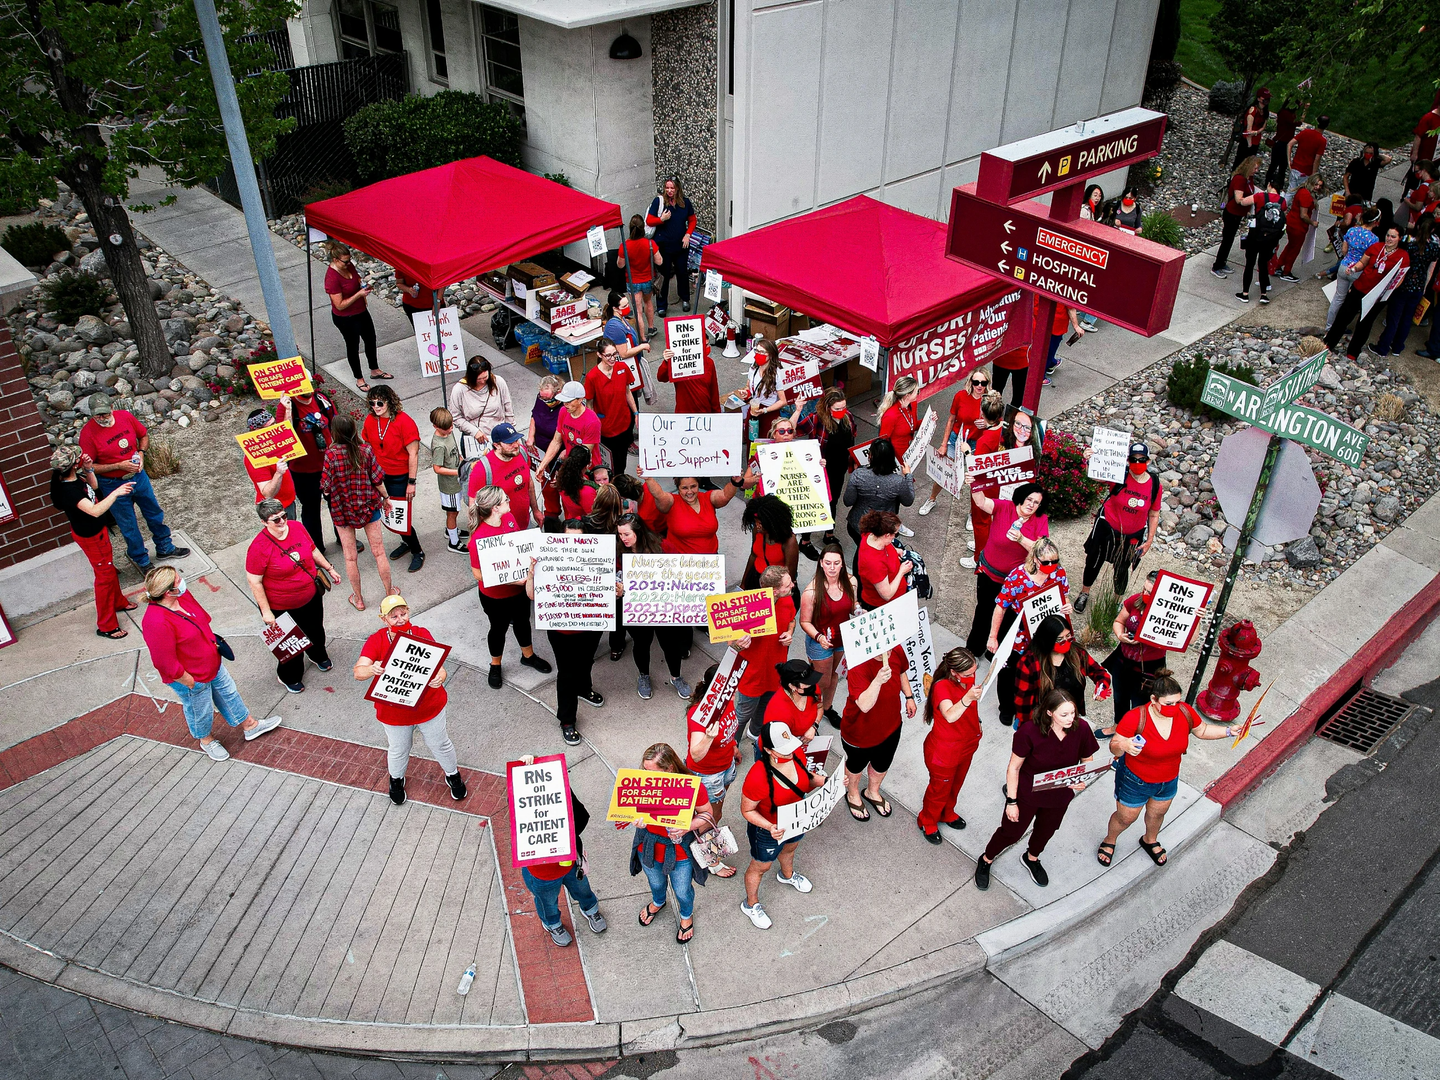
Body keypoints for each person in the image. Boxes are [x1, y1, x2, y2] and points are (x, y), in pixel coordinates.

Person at [1098, 670, 1239, 868]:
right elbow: (1115, 745)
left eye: (1178, 702)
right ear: (1153, 699)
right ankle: (1110, 840)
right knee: (1125, 818)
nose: (1174, 707)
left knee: (1157, 814)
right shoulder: (1135, 717)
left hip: (1168, 780)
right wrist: (1124, 746)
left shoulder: (1185, 712)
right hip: (1135, 780)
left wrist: (1228, 731)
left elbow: (1203, 730)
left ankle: (1150, 839)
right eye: (1168, 704)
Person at [140, 565, 282, 760]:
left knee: (229, 693)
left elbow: (202, 619)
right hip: (191, 676)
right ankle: (206, 740)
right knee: (200, 710)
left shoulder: (182, 597)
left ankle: (249, 725)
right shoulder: (156, 622)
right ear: (167, 592)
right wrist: (190, 682)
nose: (182, 582)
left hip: (212, 663)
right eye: (178, 581)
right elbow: (163, 661)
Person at [975, 689, 1100, 890]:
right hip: (1027, 794)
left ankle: (1031, 858)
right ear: (1049, 713)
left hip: (1059, 795)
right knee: (1011, 832)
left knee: (1046, 830)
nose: (1071, 719)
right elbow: (1014, 768)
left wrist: (1081, 778)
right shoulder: (1029, 731)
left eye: (1073, 713)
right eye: (1064, 714)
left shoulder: (1081, 728)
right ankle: (986, 859)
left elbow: (1087, 760)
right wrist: (1012, 802)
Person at [354, 594, 467, 806]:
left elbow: (440, 668)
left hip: (429, 708)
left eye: (403, 613)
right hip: (394, 713)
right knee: (398, 749)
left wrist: (439, 678)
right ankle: (396, 780)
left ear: (408, 612)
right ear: (383, 619)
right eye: (393, 616)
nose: (400, 619)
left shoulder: (421, 634)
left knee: (441, 744)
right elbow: (358, 672)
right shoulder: (376, 640)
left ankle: (453, 775)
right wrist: (371, 669)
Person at [79, 395, 190, 571]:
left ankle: (164, 547)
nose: (101, 418)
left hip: (139, 477)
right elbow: (89, 467)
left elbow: (143, 435)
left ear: (112, 407)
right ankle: (141, 559)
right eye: (97, 415)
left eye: (105, 414)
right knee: (128, 524)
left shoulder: (125, 417)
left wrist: (141, 453)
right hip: (112, 484)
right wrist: (118, 465)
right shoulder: (88, 434)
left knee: (154, 512)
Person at [245, 497, 339, 693]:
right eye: (275, 519)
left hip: (310, 594)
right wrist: (266, 612)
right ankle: (289, 675)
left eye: (283, 516)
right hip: (281, 605)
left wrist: (329, 568)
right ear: (264, 522)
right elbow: (255, 581)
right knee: (290, 646)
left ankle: (317, 654)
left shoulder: (297, 527)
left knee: (315, 630)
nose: (282, 522)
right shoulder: (259, 547)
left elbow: (312, 550)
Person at [515, 754, 608, 947]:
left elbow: (582, 816)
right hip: (542, 873)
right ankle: (552, 923)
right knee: (547, 902)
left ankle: (590, 908)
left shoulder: (562, 795)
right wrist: (526, 768)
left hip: (571, 863)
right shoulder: (522, 806)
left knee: (583, 890)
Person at [526, 519, 604, 746]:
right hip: (562, 631)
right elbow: (531, 595)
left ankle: (584, 688)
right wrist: (531, 574)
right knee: (567, 673)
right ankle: (567, 720)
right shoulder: (546, 561)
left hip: (590, 626)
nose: (573, 544)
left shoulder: (597, 558)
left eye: (578, 539)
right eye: (568, 539)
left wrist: (616, 590)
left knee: (587, 661)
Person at [48, 445, 135, 639]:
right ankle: (106, 625)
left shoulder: (74, 478)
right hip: (92, 537)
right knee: (103, 578)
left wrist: (88, 469)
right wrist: (116, 492)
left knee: (109, 568)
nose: (82, 457)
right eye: (79, 458)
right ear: (72, 465)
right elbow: (95, 510)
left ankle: (118, 602)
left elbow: (93, 488)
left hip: (98, 532)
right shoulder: (68, 491)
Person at [739, 721, 818, 930]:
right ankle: (751, 904)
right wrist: (769, 827)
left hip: (795, 820)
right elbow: (747, 810)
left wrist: (827, 781)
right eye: (783, 750)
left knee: (790, 849)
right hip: (769, 830)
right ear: (767, 750)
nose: (790, 752)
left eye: (791, 745)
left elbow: (806, 780)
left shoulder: (796, 754)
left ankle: (787, 875)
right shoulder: (758, 776)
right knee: (761, 866)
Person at [469, 485, 550, 689]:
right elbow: (477, 574)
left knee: (523, 621)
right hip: (495, 596)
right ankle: (495, 664)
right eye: (505, 499)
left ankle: (528, 655)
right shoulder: (478, 538)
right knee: (498, 629)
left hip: (518, 590)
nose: (509, 501)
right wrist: (510, 580)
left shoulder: (509, 518)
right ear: (495, 508)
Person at [627, 743, 709, 944]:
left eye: (651, 771)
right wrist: (634, 819)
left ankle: (686, 914)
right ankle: (658, 901)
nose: (646, 775)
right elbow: (628, 809)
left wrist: (688, 826)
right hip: (649, 847)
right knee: (655, 882)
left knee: (682, 890)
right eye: (645, 770)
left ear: (669, 768)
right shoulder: (641, 784)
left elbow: (707, 814)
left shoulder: (692, 786)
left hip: (680, 850)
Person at [989, 538, 1071, 727]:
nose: (1051, 566)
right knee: (1009, 671)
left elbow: (1063, 595)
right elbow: (1000, 607)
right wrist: (993, 637)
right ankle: (1007, 707)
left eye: (1055, 561)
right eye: (1046, 562)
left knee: (1036, 671)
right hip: (1017, 631)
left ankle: (1028, 706)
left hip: (1044, 633)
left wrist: (1067, 607)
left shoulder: (1058, 574)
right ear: (1035, 559)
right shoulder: (1017, 576)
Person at [319, 414, 394, 612]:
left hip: (342, 510)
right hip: (368, 505)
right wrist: (386, 498)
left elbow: (325, 487)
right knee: (379, 552)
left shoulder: (331, 454)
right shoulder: (366, 450)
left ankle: (359, 599)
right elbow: (377, 480)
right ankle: (389, 592)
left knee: (350, 557)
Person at [1073, 441, 1160, 614]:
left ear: (1148, 461)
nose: (1137, 463)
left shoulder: (1155, 484)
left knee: (1122, 569)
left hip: (1132, 535)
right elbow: (1094, 475)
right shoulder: (1119, 474)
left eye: (1141, 459)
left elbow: (1154, 513)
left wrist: (1149, 540)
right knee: (1093, 561)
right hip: (1106, 528)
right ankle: (1085, 592)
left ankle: (1116, 601)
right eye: (1133, 459)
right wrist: (1088, 460)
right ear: (1127, 461)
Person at [965, 481, 1048, 657]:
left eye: (1036, 502)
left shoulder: (1041, 520)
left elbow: (1041, 551)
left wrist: (1021, 539)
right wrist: (975, 484)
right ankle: (973, 650)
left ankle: (994, 653)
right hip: (989, 575)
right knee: (983, 613)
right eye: (1029, 499)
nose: (1031, 505)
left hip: (1014, 584)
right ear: (1021, 498)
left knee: (1007, 619)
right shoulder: (1004, 507)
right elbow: (981, 502)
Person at [614, 513, 690, 700]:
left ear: (638, 532)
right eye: (620, 535)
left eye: (626, 534)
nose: (622, 539)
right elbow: (614, 576)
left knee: (670, 644)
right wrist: (618, 589)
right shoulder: (619, 552)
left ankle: (676, 677)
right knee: (641, 643)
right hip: (634, 608)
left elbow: (682, 569)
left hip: (661, 606)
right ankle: (644, 676)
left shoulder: (663, 547)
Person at [840, 641, 914, 821]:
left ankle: (872, 791)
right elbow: (864, 705)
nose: (888, 652)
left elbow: (902, 671)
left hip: (891, 725)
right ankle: (852, 794)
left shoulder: (895, 649)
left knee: (882, 763)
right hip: (860, 732)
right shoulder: (858, 665)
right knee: (855, 766)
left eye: (889, 646)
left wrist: (909, 696)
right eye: (883, 648)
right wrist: (878, 681)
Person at [917, 647, 983, 844]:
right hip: (945, 752)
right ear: (954, 672)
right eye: (968, 674)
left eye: (974, 672)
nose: (972, 676)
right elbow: (950, 714)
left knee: (956, 784)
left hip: (966, 745)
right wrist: (968, 698)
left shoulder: (964, 680)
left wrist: (977, 721)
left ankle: (947, 812)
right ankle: (927, 821)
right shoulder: (942, 687)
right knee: (938, 790)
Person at [1013, 615, 1112, 739]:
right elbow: (1023, 703)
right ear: (1046, 640)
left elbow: (1100, 672)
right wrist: (1028, 731)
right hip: (1044, 723)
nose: (1065, 642)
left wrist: (1101, 686)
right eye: (1059, 639)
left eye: (1068, 637)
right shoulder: (1029, 663)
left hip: (1071, 717)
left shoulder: (1077, 653)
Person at [733, 565, 797, 748]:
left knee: (765, 709)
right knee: (743, 713)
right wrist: (739, 643)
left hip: (775, 672)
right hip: (752, 677)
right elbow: (732, 644)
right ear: (775, 591)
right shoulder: (746, 607)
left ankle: (755, 735)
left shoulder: (787, 601)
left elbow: (791, 621)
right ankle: (733, 744)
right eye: (787, 584)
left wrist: (790, 633)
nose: (792, 585)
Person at [686, 664, 743, 864]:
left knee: (715, 811)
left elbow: (730, 726)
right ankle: (712, 860)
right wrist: (709, 737)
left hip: (725, 766)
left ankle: (704, 832)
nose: (735, 690)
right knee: (709, 816)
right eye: (731, 687)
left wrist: (733, 745)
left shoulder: (726, 700)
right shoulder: (698, 715)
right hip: (708, 775)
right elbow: (696, 754)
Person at [1325, 225, 1410, 360]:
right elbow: (1362, 263)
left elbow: (1399, 279)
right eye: (1388, 235)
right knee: (1343, 316)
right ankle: (1329, 343)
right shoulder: (1376, 247)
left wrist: (1386, 292)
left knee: (1364, 323)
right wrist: (1353, 269)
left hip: (1376, 296)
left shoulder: (1403, 256)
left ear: (1399, 238)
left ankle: (1353, 352)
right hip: (1360, 287)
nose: (1389, 239)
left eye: (1393, 236)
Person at [797, 543, 860, 726]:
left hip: (842, 639)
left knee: (834, 676)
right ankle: (809, 712)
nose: (832, 568)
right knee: (821, 682)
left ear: (842, 564)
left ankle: (827, 708)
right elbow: (805, 622)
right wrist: (819, 637)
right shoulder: (811, 592)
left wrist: (858, 611)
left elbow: (853, 604)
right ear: (821, 564)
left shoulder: (851, 582)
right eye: (828, 563)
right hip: (821, 642)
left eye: (836, 563)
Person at [363, 386, 424, 573]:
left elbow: (413, 454)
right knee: (389, 515)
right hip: (380, 477)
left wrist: (411, 483)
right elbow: (367, 445)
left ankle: (417, 550)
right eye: (372, 403)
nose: (376, 406)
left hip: (399, 477)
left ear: (389, 401)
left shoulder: (405, 422)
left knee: (399, 517)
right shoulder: (370, 420)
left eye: (380, 402)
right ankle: (406, 542)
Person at [274, 387, 338, 553]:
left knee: (336, 504)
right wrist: (286, 410)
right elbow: (283, 437)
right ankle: (316, 548)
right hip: (303, 472)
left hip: (328, 467)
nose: (307, 389)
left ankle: (343, 538)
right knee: (311, 510)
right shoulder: (288, 405)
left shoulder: (321, 398)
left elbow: (335, 423)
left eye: (309, 384)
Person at [920, 368, 990, 515]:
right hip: (956, 439)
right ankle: (932, 499)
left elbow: (999, 424)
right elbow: (951, 420)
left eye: (983, 382)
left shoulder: (990, 400)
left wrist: (988, 424)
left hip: (977, 443)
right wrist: (944, 444)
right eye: (976, 382)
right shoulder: (960, 396)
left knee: (975, 480)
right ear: (970, 382)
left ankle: (974, 513)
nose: (979, 386)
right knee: (944, 471)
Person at [324, 242, 391, 391]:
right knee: (353, 346)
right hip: (345, 318)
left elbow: (356, 280)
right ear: (335, 260)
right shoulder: (332, 278)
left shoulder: (349, 267)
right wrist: (358, 295)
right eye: (345, 261)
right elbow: (339, 304)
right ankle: (359, 378)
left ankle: (374, 369)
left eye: (349, 260)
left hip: (361, 311)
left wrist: (363, 288)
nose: (349, 263)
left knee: (370, 339)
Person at [796, 389, 855, 553]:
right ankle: (805, 540)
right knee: (815, 502)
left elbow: (852, 438)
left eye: (843, 407)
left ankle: (829, 534)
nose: (841, 411)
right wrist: (798, 410)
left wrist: (854, 461)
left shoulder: (847, 417)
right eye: (837, 408)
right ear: (828, 407)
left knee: (833, 501)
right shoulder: (816, 419)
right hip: (820, 469)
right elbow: (794, 429)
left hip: (839, 467)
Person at [1108, 569, 1170, 726]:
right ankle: (1118, 727)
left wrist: (1195, 618)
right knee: (1119, 696)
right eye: (1145, 589)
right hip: (1124, 659)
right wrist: (1121, 635)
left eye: (1150, 592)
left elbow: (1190, 640)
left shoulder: (1169, 614)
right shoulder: (1135, 601)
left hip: (1149, 667)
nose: (1145, 594)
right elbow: (1119, 622)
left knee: (1140, 704)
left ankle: (1135, 733)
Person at [1376, 214, 1439, 357]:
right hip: (1418, 286)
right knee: (1407, 319)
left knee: (1393, 318)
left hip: (1402, 283)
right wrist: (1424, 287)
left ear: (1417, 225)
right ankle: (1397, 347)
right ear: (1433, 229)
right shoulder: (1435, 246)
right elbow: (1431, 269)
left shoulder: (1407, 241)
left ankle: (1383, 347)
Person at [842, 437, 914, 560]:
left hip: (858, 526)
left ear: (870, 457)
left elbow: (848, 501)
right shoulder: (898, 481)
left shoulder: (858, 475)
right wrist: (908, 476)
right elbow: (908, 501)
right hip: (884, 528)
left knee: (861, 552)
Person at [643, 473, 747, 555]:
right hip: (680, 561)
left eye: (693, 486)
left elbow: (725, 495)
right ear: (678, 488)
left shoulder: (708, 498)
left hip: (710, 560)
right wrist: (648, 479)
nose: (689, 492)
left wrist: (735, 482)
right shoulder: (672, 502)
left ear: (698, 485)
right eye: (684, 488)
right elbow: (659, 495)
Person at [961, 391, 1008, 570]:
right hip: (998, 482)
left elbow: (975, 467)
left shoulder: (985, 440)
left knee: (980, 521)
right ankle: (984, 545)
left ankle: (978, 557)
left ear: (982, 414)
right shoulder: (1004, 428)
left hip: (984, 486)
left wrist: (966, 451)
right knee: (991, 519)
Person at [584, 339, 640, 476]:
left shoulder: (623, 368)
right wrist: (593, 426)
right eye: (608, 355)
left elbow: (628, 392)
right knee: (610, 463)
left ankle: (619, 483)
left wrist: (636, 413)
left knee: (622, 461)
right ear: (599, 355)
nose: (612, 358)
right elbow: (589, 404)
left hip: (624, 423)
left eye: (614, 354)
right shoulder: (592, 377)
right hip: (606, 428)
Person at [648, 178, 698, 315]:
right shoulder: (659, 202)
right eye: (667, 188)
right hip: (664, 246)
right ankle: (661, 305)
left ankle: (685, 298)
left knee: (682, 272)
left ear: (677, 189)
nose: (669, 191)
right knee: (664, 275)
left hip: (681, 245)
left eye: (672, 188)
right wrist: (661, 219)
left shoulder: (685, 203)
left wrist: (688, 234)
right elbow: (649, 220)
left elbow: (692, 220)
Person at [1324, 206, 1381, 325]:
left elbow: (1344, 250)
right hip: (1358, 271)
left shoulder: (1352, 231)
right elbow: (1369, 259)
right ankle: (1340, 326)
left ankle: (1329, 325)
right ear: (1375, 222)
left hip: (1344, 265)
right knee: (1350, 301)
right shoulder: (1374, 239)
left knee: (1338, 298)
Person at [537, 381, 602, 478]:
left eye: (569, 401)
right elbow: (556, 441)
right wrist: (543, 464)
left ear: (580, 399)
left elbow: (583, 456)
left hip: (588, 470)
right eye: (564, 401)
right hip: (570, 463)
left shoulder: (592, 422)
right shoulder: (563, 411)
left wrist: (565, 475)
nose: (565, 404)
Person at [1237, 180, 1286, 304]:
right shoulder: (1282, 201)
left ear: (1269, 185)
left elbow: (1242, 202)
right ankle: (1263, 294)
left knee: (1249, 264)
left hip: (1255, 235)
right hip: (1270, 239)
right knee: (1263, 264)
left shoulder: (1260, 196)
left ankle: (1245, 294)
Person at [1211, 156, 1259, 278]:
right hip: (1232, 213)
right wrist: (1256, 199)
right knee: (1226, 240)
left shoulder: (1249, 179)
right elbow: (1239, 199)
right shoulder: (1240, 180)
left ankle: (1222, 263)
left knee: (1230, 239)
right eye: (1255, 168)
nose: (1256, 170)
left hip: (1238, 214)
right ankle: (1216, 266)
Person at [741, 493, 799, 592]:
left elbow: (790, 574)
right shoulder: (757, 531)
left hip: (775, 586)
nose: (757, 526)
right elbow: (753, 555)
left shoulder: (789, 541)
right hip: (755, 578)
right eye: (755, 522)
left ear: (772, 522)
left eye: (760, 523)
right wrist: (743, 583)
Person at [448, 357, 514, 444]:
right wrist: (474, 432)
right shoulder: (459, 389)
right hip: (474, 440)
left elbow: (508, 409)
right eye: (479, 379)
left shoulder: (498, 382)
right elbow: (455, 417)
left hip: (500, 438)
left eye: (485, 377)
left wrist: (511, 431)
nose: (483, 381)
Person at [243, 409, 296, 517]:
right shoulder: (254, 457)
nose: (276, 428)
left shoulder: (272, 442)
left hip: (287, 503)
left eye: (275, 423)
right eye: (271, 426)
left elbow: (286, 430)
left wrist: (288, 409)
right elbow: (267, 493)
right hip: (276, 511)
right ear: (258, 431)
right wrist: (279, 473)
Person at [855, 510, 911, 612]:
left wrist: (894, 550)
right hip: (884, 606)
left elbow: (885, 545)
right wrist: (902, 571)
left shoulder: (871, 535)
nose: (895, 537)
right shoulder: (874, 563)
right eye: (895, 534)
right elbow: (887, 594)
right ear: (887, 535)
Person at [1271, 173, 1323, 283]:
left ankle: (1278, 266)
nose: (1317, 187)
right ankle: (1286, 272)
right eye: (1316, 184)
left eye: (1319, 185)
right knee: (1294, 249)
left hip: (1292, 223)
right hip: (1298, 226)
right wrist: (1312, 222)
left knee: (1290, 246)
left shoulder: (1302, 190)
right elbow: (1303, 215)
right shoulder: (1306, 195)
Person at [617, 213, 662, 338]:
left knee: (638, 310)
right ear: (643, 228)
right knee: (648, 302)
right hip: (648, 279)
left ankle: (642, 338)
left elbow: (620, 265)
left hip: (633, 281)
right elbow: (659, 261)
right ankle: (651, 328)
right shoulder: (650, 244)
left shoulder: (624, 246)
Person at [734, 337, 788, 443]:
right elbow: (748, 386)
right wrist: (746, 392)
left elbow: (783, 400)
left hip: (769, 412)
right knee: (751, 439)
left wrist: (764, 410)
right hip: (754, 409)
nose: (758, 354)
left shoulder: (777, 374)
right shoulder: (753, 368)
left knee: (765, 441)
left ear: (771, 355)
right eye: (757, 351)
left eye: (762, 352)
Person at [428, 407, 465, 554]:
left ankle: (451, 530)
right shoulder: (438, 446)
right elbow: (437, 468)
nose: (450, 430)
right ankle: (453, 541)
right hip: (449, 486)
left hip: (456, 481)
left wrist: (462, 461)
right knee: (452, 512)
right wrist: (457, 471)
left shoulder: (448, 433)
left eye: (451, 427)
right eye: (446, 429)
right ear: (436, 426)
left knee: (454, 511)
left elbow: (455, 450)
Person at [657, 341, 721, 415]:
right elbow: (661, 377)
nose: (707, 347)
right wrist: (666, 362)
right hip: (683, 415)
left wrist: (717, 415)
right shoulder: (679, 364)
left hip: (705, 414)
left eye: (707, 345)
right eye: (704, 345)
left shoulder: (709, 363)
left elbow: (714, 392)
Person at [876, 375, 921, 468]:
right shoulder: (891, 415)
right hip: (896, 456)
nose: (918, 394)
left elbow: (912, 426)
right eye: (917, 391)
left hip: (908, 452)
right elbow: (883, 441)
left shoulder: (912, 405)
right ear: (907, 395)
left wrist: (928, 421)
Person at [1285, 115, 1329, 198]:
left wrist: (1289, 161)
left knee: (1290, 191)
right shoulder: (1322, 140)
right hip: (1306, 171)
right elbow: (1317, 159)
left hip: (1295, 167)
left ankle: (1280, 208)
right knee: (1304, 193)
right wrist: (1314, 174)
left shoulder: (1305, 132)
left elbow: (1290, 144)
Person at [601, 290, 650, 363]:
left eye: (627, 304)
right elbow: (623, 354)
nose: (627, 307)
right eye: (624, 306)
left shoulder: (621, 318)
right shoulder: (614, 327)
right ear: (615, 308)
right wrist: (642, 347)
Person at [557, 445, 599, 520]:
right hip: (583, 526)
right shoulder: (587, 492)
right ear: (588, 465)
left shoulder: (562, 476)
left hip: (572, 518)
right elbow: (594, 517)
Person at [1233, 88, 1269, 171]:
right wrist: (1250, 144)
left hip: (1256, 140)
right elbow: (1249, 130)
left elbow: (1263, 127)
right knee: (1240, 162)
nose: (1266, 100)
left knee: (1249, 165)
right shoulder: (1253, 110)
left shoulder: (1265, 112)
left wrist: (1256, 132)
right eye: (1264, 98)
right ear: (1259, 98)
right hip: (1247, 140)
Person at [528, 374, 566, 456]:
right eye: (543, 398)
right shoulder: (541, 397)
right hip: (539, 446)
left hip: (557, 451)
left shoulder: (566, 407)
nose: (545, 401)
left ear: (558, 392)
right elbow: (534, 415)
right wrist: (531, 436)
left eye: (548, 399)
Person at [1398, 161, 1434, 230]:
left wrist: (1406, 201)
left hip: (1414, 218)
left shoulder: (1423, 187)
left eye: (1417, 171)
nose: (1416, 173)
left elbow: (1418, 207)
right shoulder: (1433, 183)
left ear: (1423, 170)